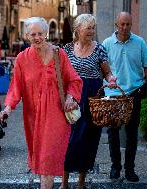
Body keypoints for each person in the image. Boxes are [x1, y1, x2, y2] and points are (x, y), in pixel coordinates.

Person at [0, 17, 83, 189]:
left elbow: (74, 81)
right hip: (34, 117)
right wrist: (7, 108)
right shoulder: (22, 58)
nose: (37, 37)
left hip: (56, 115)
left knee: (47, 157)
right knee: (42, 159)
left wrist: (70, 97)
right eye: (32, 34)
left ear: (46, 33)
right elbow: (16, 87)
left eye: (40, 33)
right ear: (27, 36)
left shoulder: (59, 54)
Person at [61, 14, 117, 189]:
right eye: (88, 28)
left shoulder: (99, 49)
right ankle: (64, 183)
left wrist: (111, 79)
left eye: (93, 28)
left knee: (88, 140)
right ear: (78, 30)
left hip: (93, 99)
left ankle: (81, 182)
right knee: (68, 140)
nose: (92, 31)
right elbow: (60, 74)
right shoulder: (67, 49)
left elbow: (107, 73)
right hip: (72, 98)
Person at [102, 12, 147, 182]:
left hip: (134, 94)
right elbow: (103, 69)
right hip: (113, 95)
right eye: (122, 24)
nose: (125, 28)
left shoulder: (139, 43)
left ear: (131, 25)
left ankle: (130, 169)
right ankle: (115, 167)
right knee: (113, 133)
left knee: (132, 134)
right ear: (116, 25)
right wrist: (107, 81)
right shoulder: (107, 43)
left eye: (128, 25)